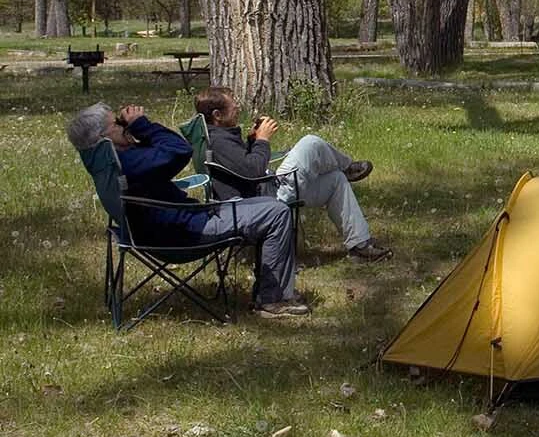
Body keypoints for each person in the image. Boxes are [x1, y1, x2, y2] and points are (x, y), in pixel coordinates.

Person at [66, 102, 310, 318]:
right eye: (118, 125)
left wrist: (136, 132)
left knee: (267, 207)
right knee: (276, 212)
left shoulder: (111, 162)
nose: (124, 126)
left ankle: (270, 289)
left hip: (161, 229)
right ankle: (272, 300)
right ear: (103, 138)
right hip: (182, 233)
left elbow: (172, 153)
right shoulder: (130, 163)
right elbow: (180, 150)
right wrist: (142, 125)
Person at [195, 86, 392, 262]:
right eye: (233, 105)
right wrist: (263, 140)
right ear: (217, 115)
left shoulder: (218, 137)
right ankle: (347, 167)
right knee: (310, 143)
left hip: (265, 190)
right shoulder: (219, 142)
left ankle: (360, 245)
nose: (238, 107)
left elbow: (241, 167)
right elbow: (253, 170)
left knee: (335, 180)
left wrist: (252, 141)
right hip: (263, 200)